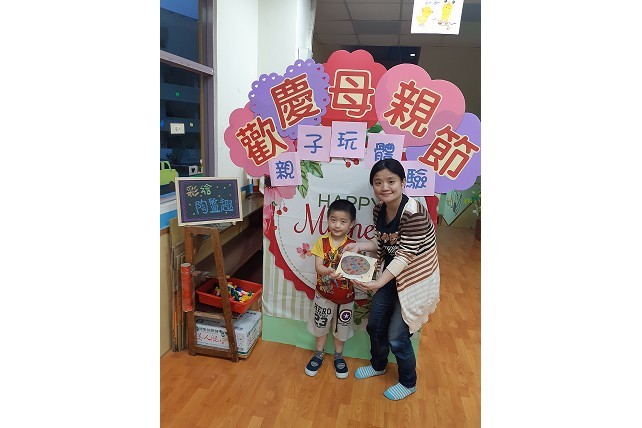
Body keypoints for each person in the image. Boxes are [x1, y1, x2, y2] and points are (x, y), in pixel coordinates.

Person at [344, 158, 440, 401]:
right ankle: (378, 365)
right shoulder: (379, 209)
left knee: (397, 336)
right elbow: (385, 243)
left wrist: (378, 282)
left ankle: (408, 382)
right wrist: (360, 246)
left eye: (391, 181)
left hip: (415, 280)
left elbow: (405, 255)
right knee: (375, 325)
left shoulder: (414, 213)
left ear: (403, 182)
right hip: (390, 273)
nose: (384, 187)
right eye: (378, 182)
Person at [305, 199, 357, 379]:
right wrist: (329, 271)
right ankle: (319, 354)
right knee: (321, 325)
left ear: (351, 224)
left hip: (346, 297)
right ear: (327, 220)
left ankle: (338, 356)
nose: (337, 225)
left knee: (341, 327)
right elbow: (318, 266)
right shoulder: (322, 241)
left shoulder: (353, 245)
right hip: (324, 295)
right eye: (333, 220)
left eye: (343, 221)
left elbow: (355, 270)